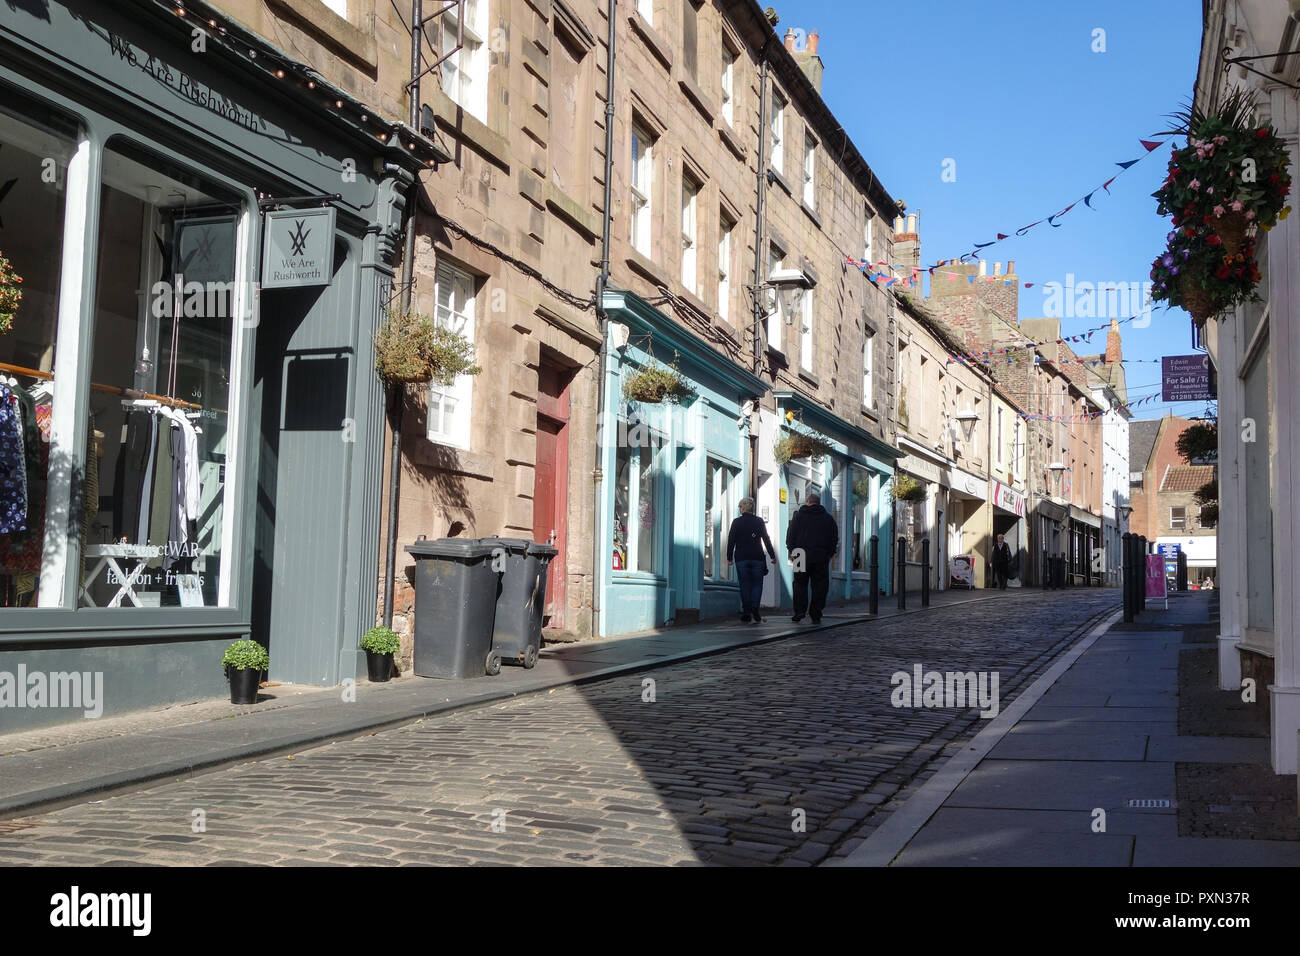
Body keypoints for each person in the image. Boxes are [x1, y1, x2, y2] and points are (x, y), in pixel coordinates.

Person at [786, 492, 838, 624]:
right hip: (820, 555)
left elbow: (790, 535)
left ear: (808, 502)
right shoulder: (828, 518)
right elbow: (833, 538)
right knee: (820, 585)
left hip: (799, 554)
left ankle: (799, 611)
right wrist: (829, 553)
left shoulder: (798, 517)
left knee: (799, 584)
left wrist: (792, 550)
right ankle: (816, 613)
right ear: (818, 503)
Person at [725, 497, 776, 623]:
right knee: (757, 584)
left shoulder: (736, 522)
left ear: (741, 508)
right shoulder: (759, 521)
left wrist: (729, 557)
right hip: (757, 557)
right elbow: (766, 539)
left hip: (742, 557)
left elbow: (731, 540)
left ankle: (747, 611)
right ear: (752, 508)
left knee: (744, 584)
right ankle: (755, 608)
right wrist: (772, 555)